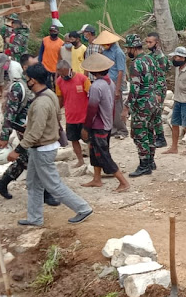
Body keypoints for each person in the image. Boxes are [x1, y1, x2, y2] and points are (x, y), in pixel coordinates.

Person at [7, 63, 93, 226]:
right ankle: (35, 218)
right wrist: (31, 124)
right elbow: (50, 119)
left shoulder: (40, 103)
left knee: (53, 185)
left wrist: (18, 150)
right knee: (33, 183)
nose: (26, 82)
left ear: (33, 80)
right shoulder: (49, 95)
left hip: (42, 150)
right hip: (41, 148)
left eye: (27, 79)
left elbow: (35, 133)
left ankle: (83, 208)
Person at [0, 60, 59, 206]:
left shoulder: (38, 85)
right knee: (32, 159)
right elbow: (9, 115)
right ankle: (45, 193)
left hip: (35, 126)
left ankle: (2, 183)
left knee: (25, 159)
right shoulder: (19, 87)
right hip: (26, 129)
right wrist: (4, 137)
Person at [80, 53, 130, 193]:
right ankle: (97, 179)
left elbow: (92, 110)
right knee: (95, 151)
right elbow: (112, 104)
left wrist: (86, 127)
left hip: (99, 125)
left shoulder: (96, 86)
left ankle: (123, 182)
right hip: (107, 123)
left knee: (103, 155)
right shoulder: (110, 82)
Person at [122, 34, 159, 177]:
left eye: (128, 49)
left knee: (139, 134)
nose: (127, 52)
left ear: (133, 48)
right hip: (153, 102)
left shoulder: (136, 64)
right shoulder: (151, 59)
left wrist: (126, 107)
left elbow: (135, 88)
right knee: (150, 132)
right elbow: (156, 80)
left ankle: (144, 164)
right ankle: (151, 161)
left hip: (142, 105)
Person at [55, 60, 90, 168]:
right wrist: (56, 111)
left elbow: (91, 96)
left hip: (84, 117)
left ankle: (94, 161)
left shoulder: (83, 79)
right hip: (70, 117)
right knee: (73, 140)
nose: (63, 76)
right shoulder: (59, 82)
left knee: (89, 140)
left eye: (64, 73)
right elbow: (60, 98)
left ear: (70, 69)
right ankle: (80, 160)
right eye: (61, 74)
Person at [94, 30, 128, 139]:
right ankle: (113, 129)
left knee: (118, 108)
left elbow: (120, 71)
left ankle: (122, 130)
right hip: (107, 83)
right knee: (108, 107)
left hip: (115, 83)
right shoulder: (105, 52)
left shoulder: (118, 53)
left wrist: (117, 89)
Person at [163, 46, 186, 155]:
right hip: (177, 100)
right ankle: (174, 147)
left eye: (177, 57)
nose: (175, 59)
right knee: (175, 123)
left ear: (183, 58)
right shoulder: (177, 69)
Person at [145, 32, 170, 148]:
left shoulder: (159, 57)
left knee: (157, 114)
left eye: (150, 42)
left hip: (158, 89)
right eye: (147, 42)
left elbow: (161, 75)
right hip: (154, 88)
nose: (148, 44)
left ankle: (161, 138)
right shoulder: (153, 55)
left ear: (157, 43)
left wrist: (158, 93)